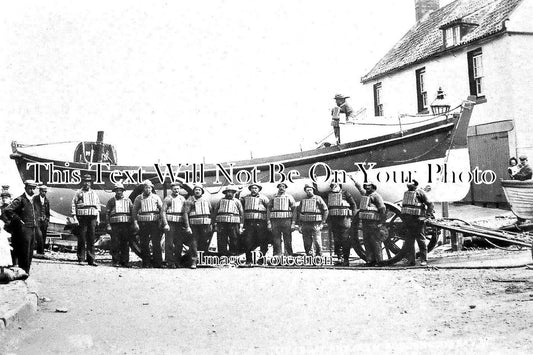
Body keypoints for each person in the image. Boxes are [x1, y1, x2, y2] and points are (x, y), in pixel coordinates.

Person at [3, 180, 38, 274]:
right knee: (24, 251)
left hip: (32, 228)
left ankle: (27, 271)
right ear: (25, 188)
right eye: (30, 188)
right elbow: (8, 210)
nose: (32, 190)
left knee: (30, 251)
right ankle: (23, 271)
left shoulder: (32, 200)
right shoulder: (20, 199)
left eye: (34, 188)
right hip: (24, 229)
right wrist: (19, 220)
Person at [400, 180, 434, 266]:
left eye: (410, 182)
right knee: (409, 241)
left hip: (418, 220)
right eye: (407, 182)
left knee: (421, 240)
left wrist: (426, 216)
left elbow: (430, 204)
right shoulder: (406, 193)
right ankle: (411, 260)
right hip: (408, 220)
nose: (408, 184)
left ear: (415, 184)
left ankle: (424, 260)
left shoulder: (420, 192)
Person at [132, 180, 164, 268]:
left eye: (149, 188)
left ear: (152, 188)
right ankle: (146, 262)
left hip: (154, 222)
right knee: (144, 243)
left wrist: (161, 221)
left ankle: (158, 263)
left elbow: (162, 210)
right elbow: (134, 211)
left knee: (156, 243)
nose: (148, 189)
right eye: (146, 187)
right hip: (143, 223)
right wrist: (135, 222)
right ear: (143, 188)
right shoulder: (139, 198)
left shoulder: (156, 197)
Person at [71, 174, 101, 266]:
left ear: (90, 183)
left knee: (91, 238)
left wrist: (98, 218)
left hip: (92, 217)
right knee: (82, 238)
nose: (87, 183)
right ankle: (81, 259)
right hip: (82, 218)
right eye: (85, 181)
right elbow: (73, 204)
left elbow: (98, 206)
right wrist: (74, 217)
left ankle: (91, 260)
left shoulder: (94, 193)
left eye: (88, 181)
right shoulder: (78, 193)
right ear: (83, 182)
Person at [355, 181, 386, 266]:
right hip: (365, 222)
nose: (367, 187)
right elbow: (360, 189)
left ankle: (379, 261)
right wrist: (356, 182)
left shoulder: (376, 196)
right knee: (367, 242)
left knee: (375, 242)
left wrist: (381, 222)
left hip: (373, 223)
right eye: (366, 185)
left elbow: (382, 209)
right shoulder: (366, 195)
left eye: (369, 185)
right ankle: (370, 261)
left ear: (373, 187)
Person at [161, 182, 191, 268]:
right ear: (171, 189)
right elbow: (163, 212)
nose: (176, 190)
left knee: (179, 243)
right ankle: (170, 262)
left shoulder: (182, 199)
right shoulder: (168, 199)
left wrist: (186, 224)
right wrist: (165, 224)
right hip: (170, 223)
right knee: (169, 243)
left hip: (179, 223)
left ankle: (178, 261)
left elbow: (185, 212)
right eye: (174, 189)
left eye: (178, 189)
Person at [326, 182, 357, 266]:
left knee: (345, 240)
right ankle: (339, 258)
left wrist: (353, 217)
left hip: (344, 219)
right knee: (336, 240)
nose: (334, 186)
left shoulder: (346, 193)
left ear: (339, 185)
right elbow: (327, 208)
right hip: (334, 220)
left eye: (336, 185)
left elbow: (353, 204)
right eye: (332, 185)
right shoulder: (329, 195)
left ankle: (346, 259)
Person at [296, 184, 328, 256]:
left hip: (315, 224)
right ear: (305, 191)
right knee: (307, 242)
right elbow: (299, 212)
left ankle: (319, 256)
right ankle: (309, 256)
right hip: (305, 224)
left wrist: (322, 223)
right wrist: (299, 225)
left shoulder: (318, 198)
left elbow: (325, 210)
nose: (309, 191)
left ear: (313, 190)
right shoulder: (303, 200)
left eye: (310, 190)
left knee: (317, 241)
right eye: (307, 190)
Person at [106, 182, 133, 267]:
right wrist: (108, 225)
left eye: (120, 190)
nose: (119, 192)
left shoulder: (128, 201)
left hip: (126, 224)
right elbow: (107, 214)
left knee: (125, 243)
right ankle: (115, 261)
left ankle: (125, 261)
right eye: (117, 190)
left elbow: (132, 212)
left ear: (123, 191)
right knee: (115, 243)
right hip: (115, 224)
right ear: (115, 191)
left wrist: (132, 223)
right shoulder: (111, 201)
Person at [241, 183, 269, 264]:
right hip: (249, 222)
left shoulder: (263, 198)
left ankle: (261, 259)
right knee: (248, 240)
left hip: (261, 222)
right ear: (250, 189)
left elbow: (269, 208)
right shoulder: (245, 198)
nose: (254, 190)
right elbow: (239, 203)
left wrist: (268, 222)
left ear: (259, 189)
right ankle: (249, 260)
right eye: (252, 188)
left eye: (256, 188)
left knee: (263, 241)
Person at [267, 182, 297, 256]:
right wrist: (269, 222)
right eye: (280, 186)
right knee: (276, 239)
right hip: (275, 221)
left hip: (286, 220)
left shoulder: (289, 197)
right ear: (278, 188)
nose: (281, 188)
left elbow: (294, 210)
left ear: (285, 188)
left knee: (287, 239)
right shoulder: (273, 197)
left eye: (283, 186)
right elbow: (268, 209)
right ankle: (277, 255)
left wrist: (293, 223)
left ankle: (288, 255)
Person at [213, 184, 243, 257]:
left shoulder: (237, 201)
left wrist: (241, 224)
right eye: (228, 192)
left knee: (234, 238)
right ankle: (223, 255)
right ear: (225, 193)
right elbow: (215, 212)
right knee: (221, 239)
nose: (229, 193)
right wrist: (214, 223)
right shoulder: (220, 201)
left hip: (234, 222)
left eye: (231, 192)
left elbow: (241, 213)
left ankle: (233, 255)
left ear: (233, 193)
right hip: (222, 222)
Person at [185, 184, 213, 258]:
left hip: (205, 224)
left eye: (199, 190)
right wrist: (187, 226)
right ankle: (194, 260)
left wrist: (211, 224)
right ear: (193, 191)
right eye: (196, 190)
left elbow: (210, 211)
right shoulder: (189, 200)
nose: (197, 191)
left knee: (205, 240)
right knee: (194, 241)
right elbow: (185, 213)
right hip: (194, 224)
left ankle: (203, 258)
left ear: (202, 191)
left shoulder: (206, 200)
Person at [33, 185, 50, 256]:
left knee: (43, 236)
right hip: (37, 221)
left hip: (44, 221)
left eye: (45, 191)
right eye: (43, 191)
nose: (44, 193)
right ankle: (40, 251)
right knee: (39, 236)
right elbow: (33, 209)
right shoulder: (35, 199)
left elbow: (47, 211)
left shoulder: (47, 200)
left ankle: (40, 252)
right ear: (40, 191)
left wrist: (47, 219)